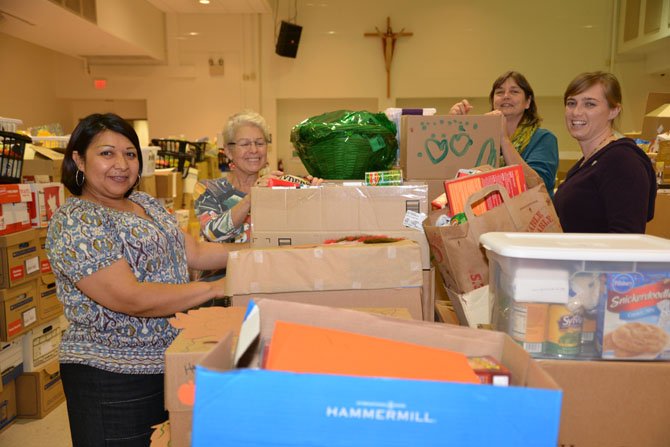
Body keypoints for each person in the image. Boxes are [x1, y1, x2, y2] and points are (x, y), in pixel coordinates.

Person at [46, 113, 241, 446]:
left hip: (167, 363)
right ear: (78, 159)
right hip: (111, 377)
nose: (121, 164)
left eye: (130, 154)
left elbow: (192, 250)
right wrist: (216, 288)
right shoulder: (76, 221)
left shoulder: (142, 202)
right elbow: (130, 297)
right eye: (106, 153)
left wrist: (258, 255)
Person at [194, 110, 322, 244]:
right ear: (228, 151)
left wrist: (312, 198)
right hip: (228, 265)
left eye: (260, 143)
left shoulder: (278, 187)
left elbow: (297, 235)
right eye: (245, 144)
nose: (254, 150)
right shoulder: (208, 189)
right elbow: (212, 234)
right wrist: (252, 197)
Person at [553, 71, 656, 233]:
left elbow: (627, 239)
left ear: (614, 110)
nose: (576, 112)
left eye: (590, 104)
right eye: (571, 103)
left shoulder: (622, 161)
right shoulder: (588, 162)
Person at [449, 71, 559, 196]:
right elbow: (455, 176)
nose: (506, 96)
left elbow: (538, 186)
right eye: (500, 92)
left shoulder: (544, 139)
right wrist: (455, 129)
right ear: (493, 102)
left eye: (514, 91)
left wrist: (503, 138)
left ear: (528, 102)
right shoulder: (481, 139)